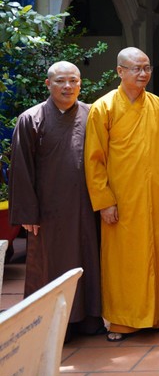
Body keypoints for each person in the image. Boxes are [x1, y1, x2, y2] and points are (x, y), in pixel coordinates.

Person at [84, 48, 159, 341]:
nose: (142, 74)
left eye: (146, 68)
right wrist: (105, 201)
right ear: (119, 71)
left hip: (155, 197)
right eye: (136, 68)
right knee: (123, 262)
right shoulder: (104, 107)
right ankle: (123, 321)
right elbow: (94, 160)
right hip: (121, 202)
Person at [8, 61, 104, 340]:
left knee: (89, 259)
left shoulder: (91, 114)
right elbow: (21, 168)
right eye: (61, 81)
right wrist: (28, 214)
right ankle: (51, 324)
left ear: (80, 83)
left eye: (73, 81)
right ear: (48, 84)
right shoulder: (32, 118)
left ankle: (89, 320)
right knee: (50, 265)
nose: (68, 86)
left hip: (87, 207)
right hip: (49, 211)